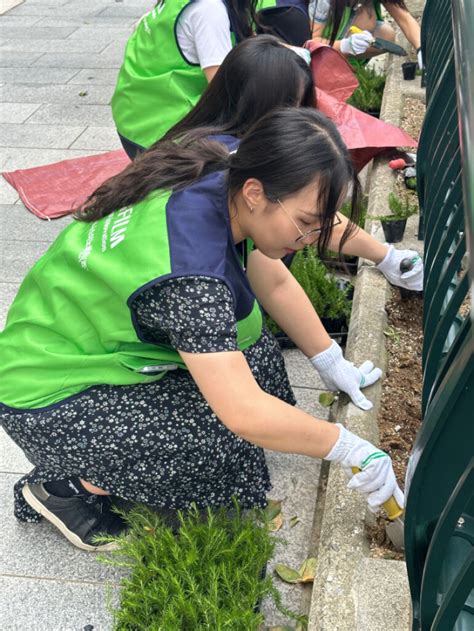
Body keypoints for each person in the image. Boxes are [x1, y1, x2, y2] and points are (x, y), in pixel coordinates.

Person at [0, 108, 403, 552]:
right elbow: (245, 413)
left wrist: (330, 359)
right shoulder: (192, 280)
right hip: (44, 392)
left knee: (259, 364)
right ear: (256, 194)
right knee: (216, 442)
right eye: (306, 223)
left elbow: (271, 275)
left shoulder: (230, 162)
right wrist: (347, 447)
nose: (310, 238)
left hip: (81, 339)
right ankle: (67, 487)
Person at [161, 35, 424, 293]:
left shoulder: (209, 140)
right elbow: (276, 264)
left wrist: (385, 256)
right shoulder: (226, 166)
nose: (297, 115)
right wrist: (386, 256)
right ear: (253, 98)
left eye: (301, 104)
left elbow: (307, 219)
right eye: (290, 104)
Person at [111, 0, 311, 158]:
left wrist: (296, 52)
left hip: (133, 112)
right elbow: (227, 91)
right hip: (155, 131)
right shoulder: (209, 11)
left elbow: (245, 40)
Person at [308, 0, 421, 63]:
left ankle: (352, 67)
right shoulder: (323, 2)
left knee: (386, 34)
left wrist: (421, 49)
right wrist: (345, 46)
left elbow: (405, 19)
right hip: (324, 44)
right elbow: (311, 43)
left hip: (348, 36)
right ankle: (336, 63)